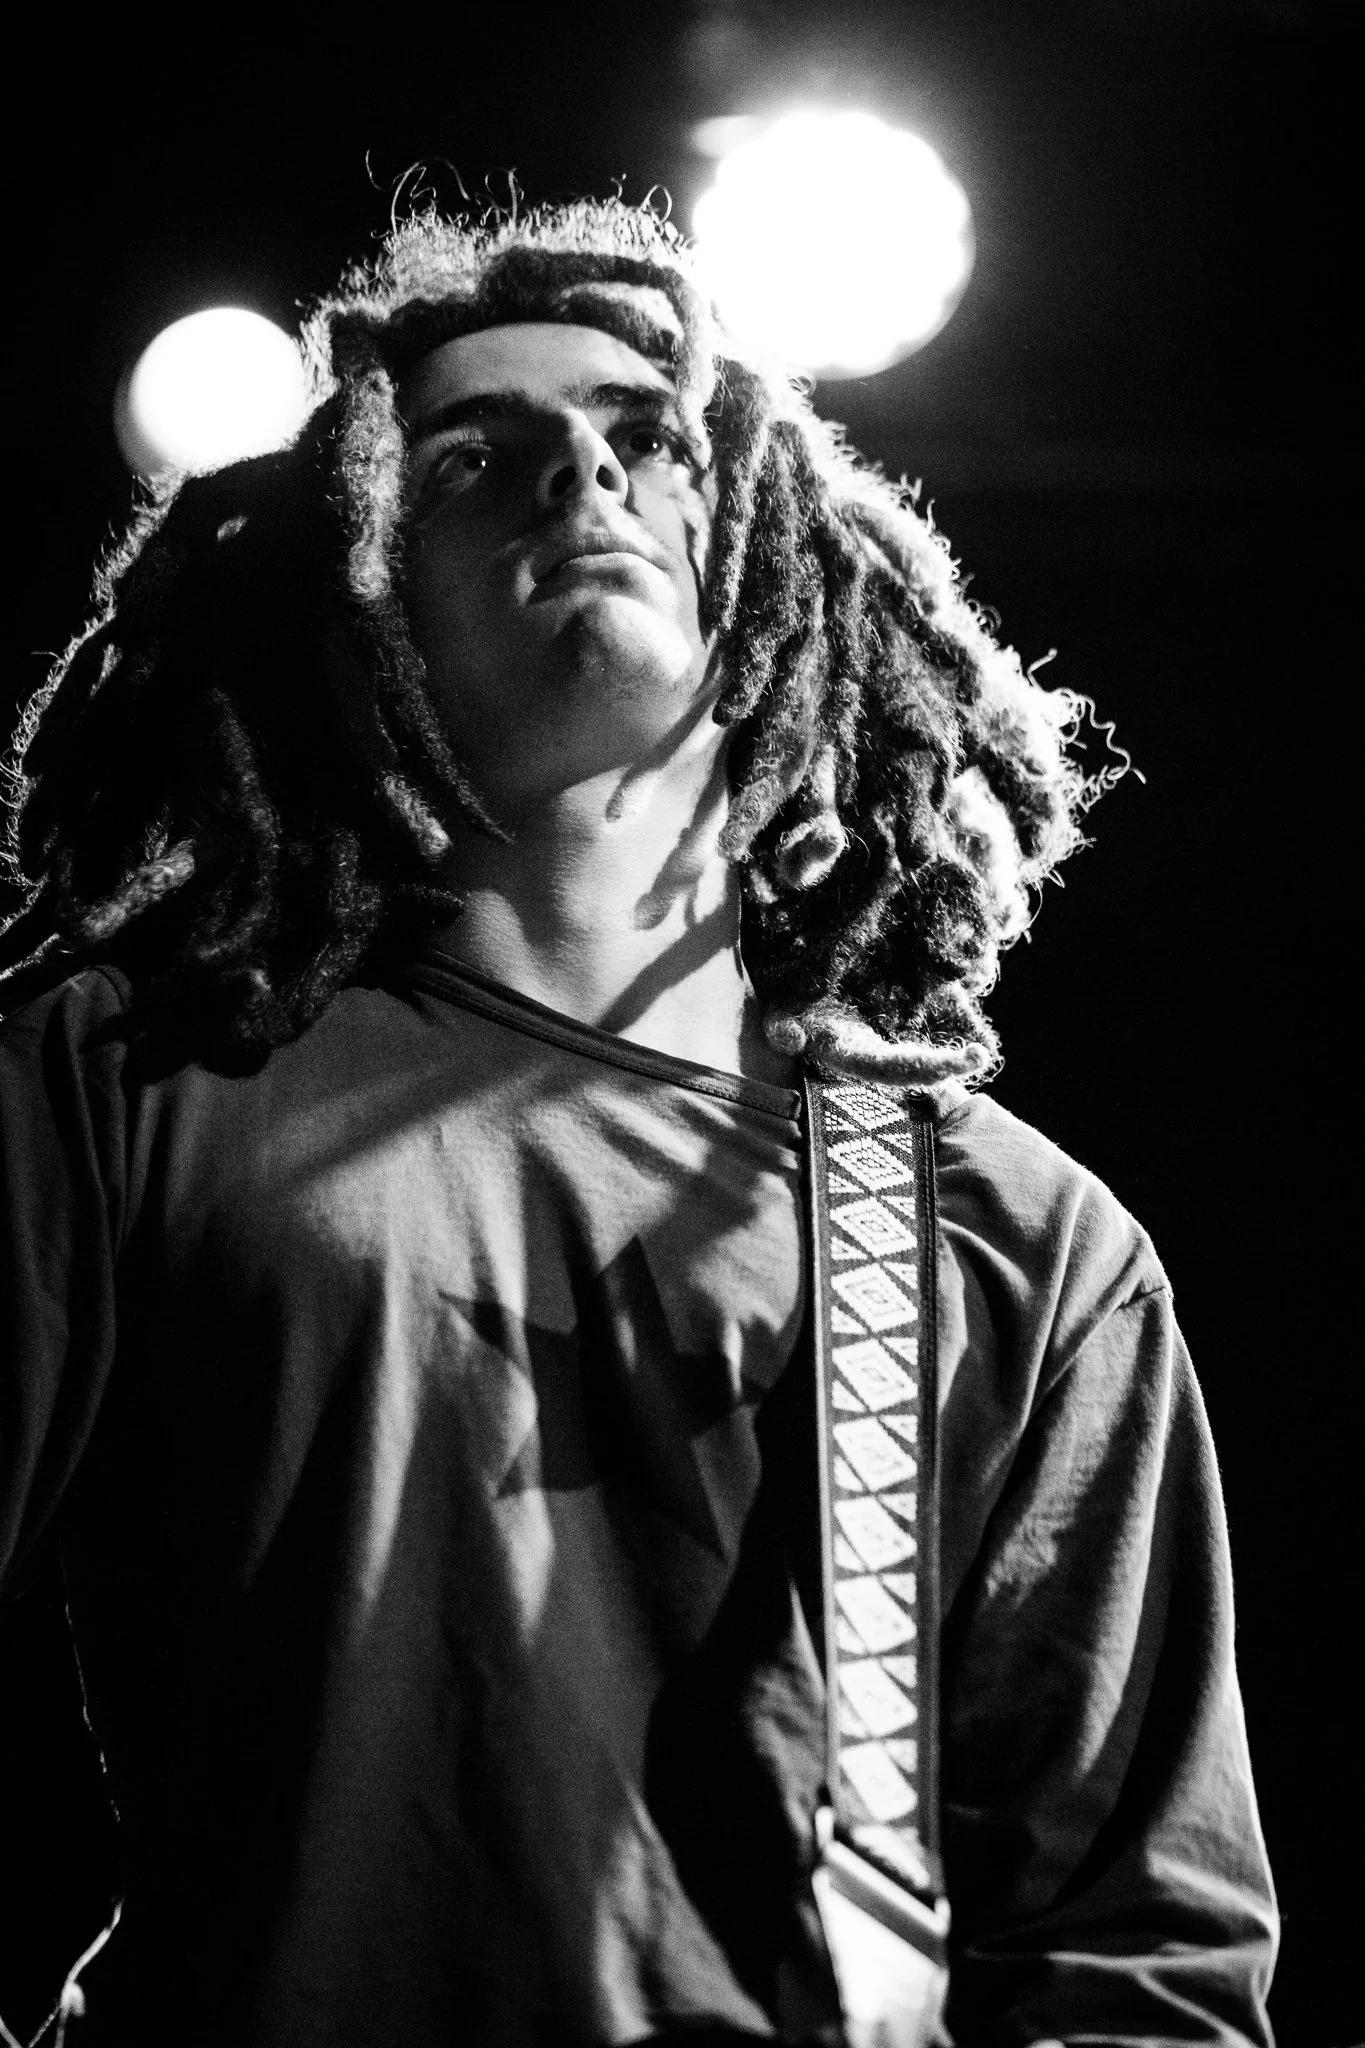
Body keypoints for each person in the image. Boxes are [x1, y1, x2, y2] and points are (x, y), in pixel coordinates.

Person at [0, 196, 1277, 2046]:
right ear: (351, 574)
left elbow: (1134, 1955)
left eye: (648, 437)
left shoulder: (1018, 1241)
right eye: (473, 456)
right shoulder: (132, 1077)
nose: (580, 472)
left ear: (753, 552)